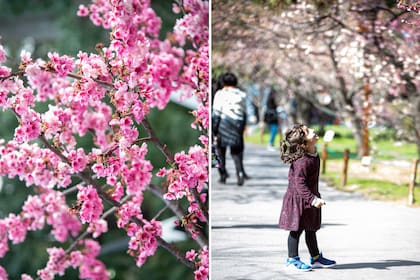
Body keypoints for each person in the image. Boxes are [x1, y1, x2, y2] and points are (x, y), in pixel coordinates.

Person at [278, 124, 336, 271]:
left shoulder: (313, 154)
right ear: (304, 142)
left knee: (311, 229)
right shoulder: (302, 160)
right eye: (308, 131)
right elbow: (299, 183)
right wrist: (313, 199)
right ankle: (292, 260)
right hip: (299, 199)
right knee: (296, 230)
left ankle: (316, 258)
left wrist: (313, 198)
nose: (313, 131)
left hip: (309, 198)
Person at [212, 72, 249, 186]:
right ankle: (240, 173)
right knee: (237, 152)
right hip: (237, 124)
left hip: (223, 124)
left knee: (219, 152)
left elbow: (216, 112)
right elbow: (244, 113)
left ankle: (223, 174)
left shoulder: (220, 94)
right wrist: (243, 126)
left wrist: (214, 129)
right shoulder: (242, 95)